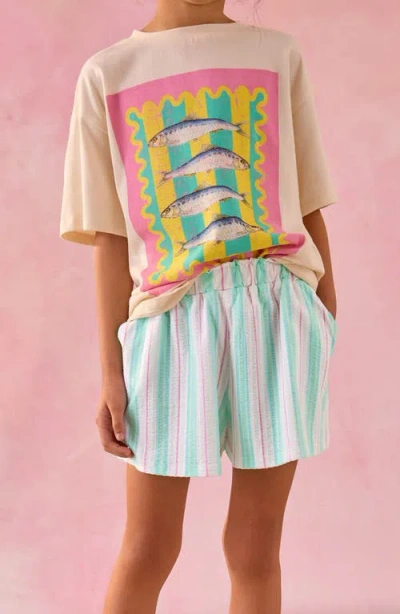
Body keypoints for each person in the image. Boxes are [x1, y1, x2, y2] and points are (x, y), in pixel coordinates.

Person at [60, 0, 338, 612]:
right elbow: (110, 237)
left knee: (255, 548)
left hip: (278, 309)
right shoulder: (107, 72)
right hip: (168, 319)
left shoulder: (277, 53)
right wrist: (111, 371)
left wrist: (325, 317)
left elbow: (309, 198)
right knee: (149, 546)